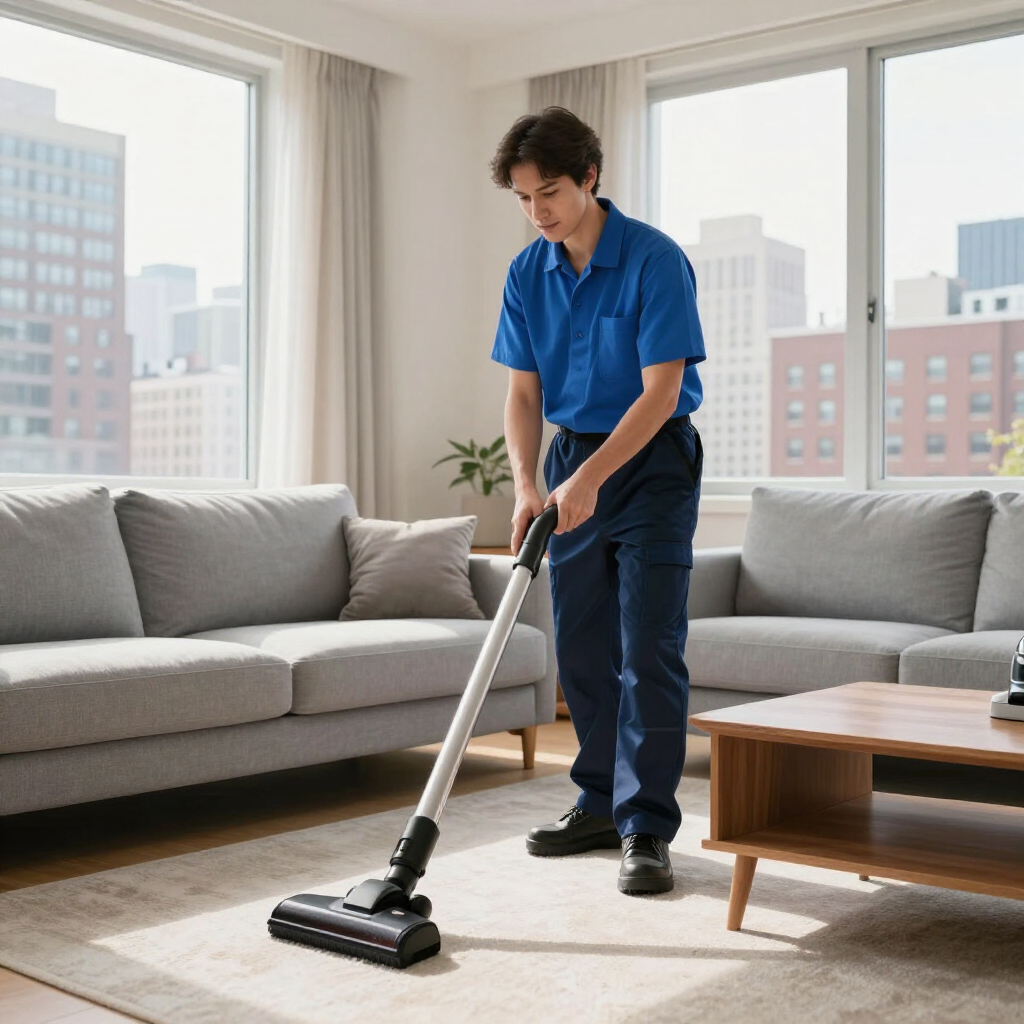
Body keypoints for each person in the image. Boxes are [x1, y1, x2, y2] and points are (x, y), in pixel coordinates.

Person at [489, 106, 706, 895]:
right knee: (580, 643)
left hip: (650, 460)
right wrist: (527, 485)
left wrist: (590, 481)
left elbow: (662, 392)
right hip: (571, 456)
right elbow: (522, 395)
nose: (537, 211)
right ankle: (596, 803)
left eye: (549, 191)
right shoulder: (527, 273)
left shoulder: (653, 260)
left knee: (647, 644)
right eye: (522, 198)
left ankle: (645, 825)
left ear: (589, 177)